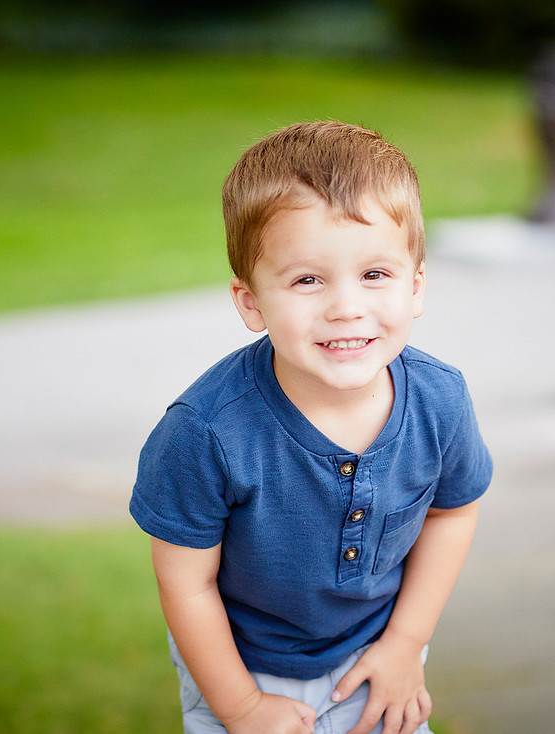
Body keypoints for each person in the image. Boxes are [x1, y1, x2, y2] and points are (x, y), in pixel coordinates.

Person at [129, 120, 493, 734]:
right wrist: (241, 708)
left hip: (380, 653)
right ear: (250, 302)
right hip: (242, 668)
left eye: (375, 274)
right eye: (307, 280)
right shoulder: (205, 434)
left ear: (416, 286)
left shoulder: (439, 400)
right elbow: (186, 585)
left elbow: (452, 512)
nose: (345, 306)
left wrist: (406, 643)